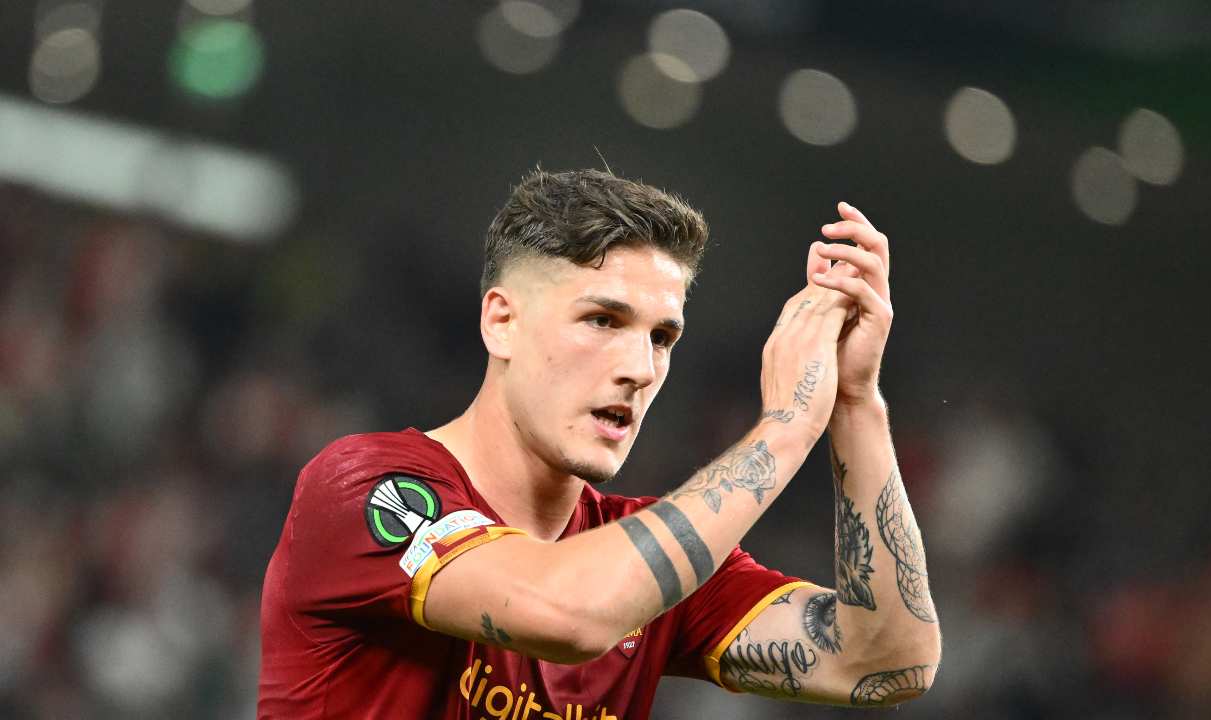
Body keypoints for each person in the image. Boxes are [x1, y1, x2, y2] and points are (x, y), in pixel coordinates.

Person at [257, 169, 941, 718]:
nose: (640, 368)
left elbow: (888, 663)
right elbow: (567, 614)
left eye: (661, 337)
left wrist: (854, 403)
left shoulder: (649, 562)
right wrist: (785, 428)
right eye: (603, 320)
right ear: (502, 322)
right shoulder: (365, 487)